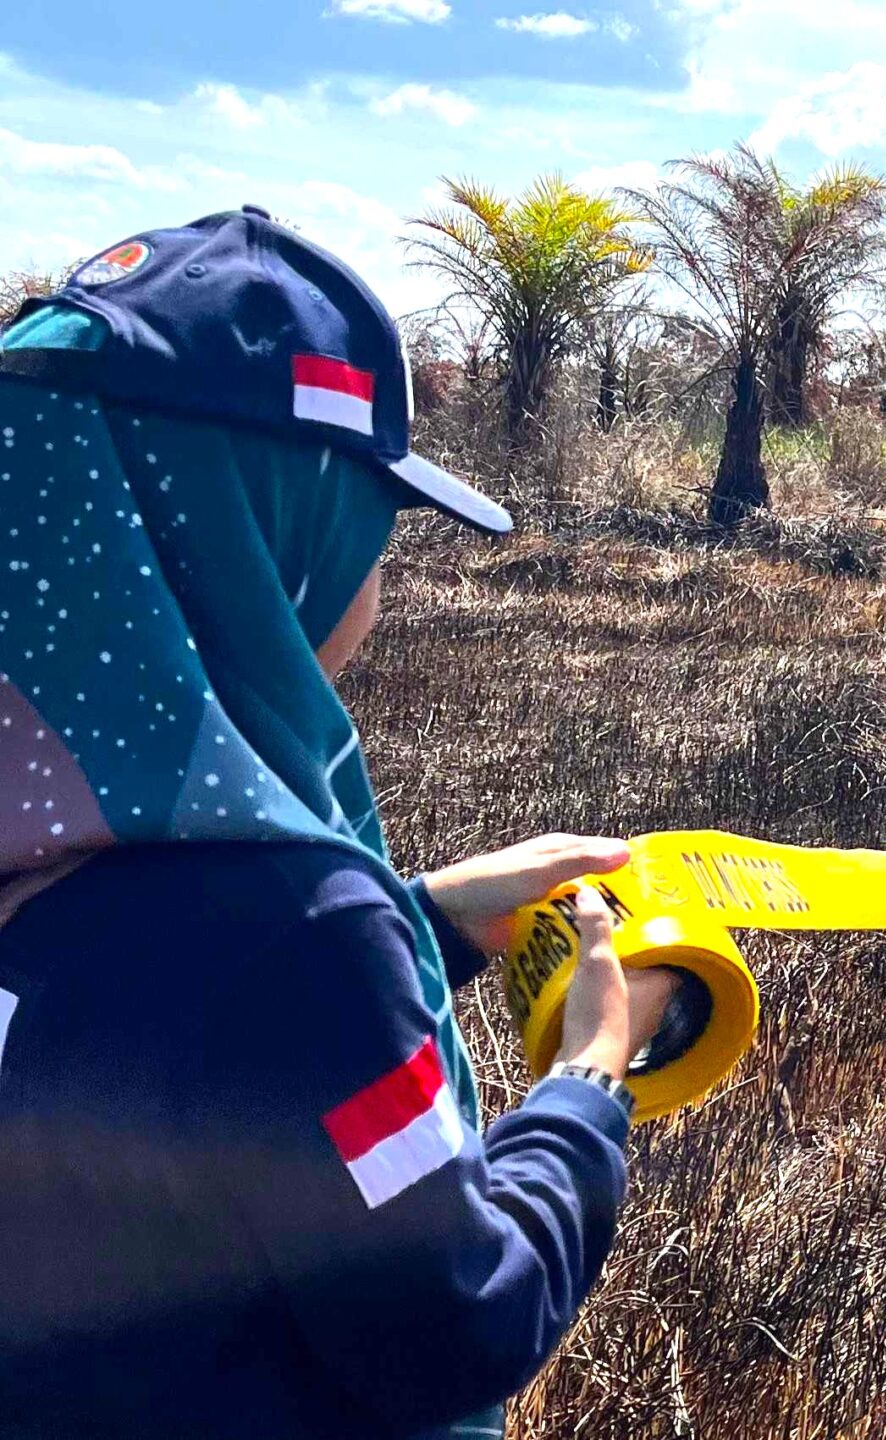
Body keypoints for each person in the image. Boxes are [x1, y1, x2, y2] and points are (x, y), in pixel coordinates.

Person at [0, 208, 676, 1438]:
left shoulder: (50, 840)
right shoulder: (285, 937)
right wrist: (586, 1082)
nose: (374, 588)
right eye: (373, 535)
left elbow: (140, 1026)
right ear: (272, 538)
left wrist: (424, 923)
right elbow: (458, 1322)